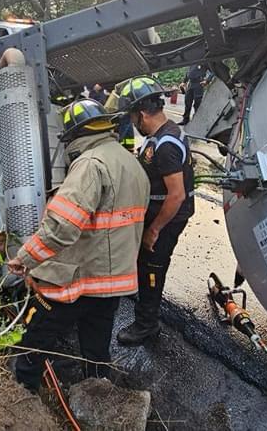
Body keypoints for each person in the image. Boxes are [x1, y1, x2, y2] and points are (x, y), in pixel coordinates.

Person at [7, 98, 149, 391]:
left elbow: (62, 227)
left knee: (36, 336)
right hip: (112, 282)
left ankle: (21, 395)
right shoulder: (130, 162)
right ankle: (98, 397)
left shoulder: (89, 164)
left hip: (80, 278)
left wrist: (25, 258)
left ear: (74, 135)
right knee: (96, 347)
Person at [115, 76, 195, 345]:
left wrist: (154, 230)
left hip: (166, 219)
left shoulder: (166, 145)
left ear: (140, 114)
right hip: (159, 214)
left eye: (131, 117)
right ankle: (146, 318)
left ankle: (146, 325)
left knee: (152, 268)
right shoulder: (162, 134)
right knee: (145, 265)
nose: (133, 123)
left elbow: (177, 195)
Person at [104, 78, 135, 152]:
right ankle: (127, 147)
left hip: (120, 98)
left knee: (124, 122)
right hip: (121, 97)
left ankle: (118, 147)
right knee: (125, 121)